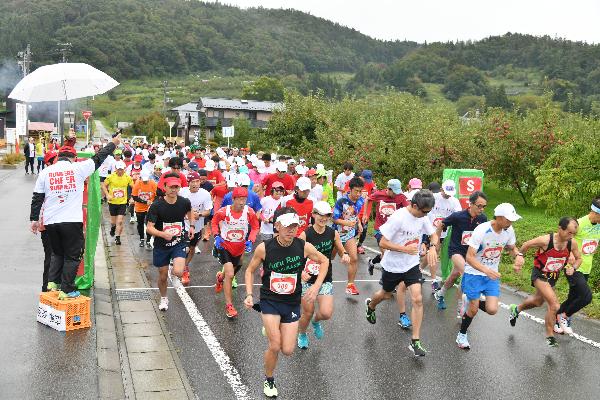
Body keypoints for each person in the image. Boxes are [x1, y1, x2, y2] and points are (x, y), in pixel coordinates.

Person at [243, 207, 329, 398]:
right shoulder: (264, 248)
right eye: (288, 226)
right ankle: (269, 379)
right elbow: (249, 271)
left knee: (288, 350)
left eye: (295, 226)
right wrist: (249, 294)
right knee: (275, 345)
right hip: (270, 300)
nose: (292, 230)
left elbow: (324, 262)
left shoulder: (303, 246)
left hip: (291, 302)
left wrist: (315, 287)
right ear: (277, 226)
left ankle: (273, 328)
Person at [30, 134, 120, 298]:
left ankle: (52, 282)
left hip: (50, 221)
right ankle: (67, 289)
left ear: (58, 157)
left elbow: (37, 198)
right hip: (71, 221)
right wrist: (113, 144)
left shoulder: (46, 172)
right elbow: (99, 157)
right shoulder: (78, 168)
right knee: (73, 256)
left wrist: (34, 220)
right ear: (74, 158)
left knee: (57, 253)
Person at [364, 190, 439, 357]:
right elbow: (383, 242)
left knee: (417, 298)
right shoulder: (398, 217)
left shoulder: (423, 216)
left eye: (428, 212)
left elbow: (433, 235)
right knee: (384, 294)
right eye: (424, 211)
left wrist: (433, 247)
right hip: (392, 266)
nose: (426, 215)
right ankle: (371, 306)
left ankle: (415, 341)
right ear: (414, 206)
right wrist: (404, 249)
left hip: (411, 265)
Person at [456, 203, 524, 350]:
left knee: (492, 310)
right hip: (474, 273)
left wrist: (518, 256)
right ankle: (462, 334)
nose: (510, 223)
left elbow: (511, 248)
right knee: (473, 310)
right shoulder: (482, 230)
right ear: (498, 217)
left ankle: (468, 300)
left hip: (491, 275)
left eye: (512, 220)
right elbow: (469, 257)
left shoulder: (508, 230)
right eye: (508, 219)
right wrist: (485, 270)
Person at [508, 217, 582, 346]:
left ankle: (516, 309)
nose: (571, 236)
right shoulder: (546, 240)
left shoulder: (572, 243)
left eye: (574, 234)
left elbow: (579, 258)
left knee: (537, 301)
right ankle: (549, 336)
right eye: (569, 232)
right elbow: (526, 244)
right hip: (540, 274)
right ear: (560, 228)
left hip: (553, 276)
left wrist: (574, 268)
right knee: (554, 305)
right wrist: (519, 259)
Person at [297, 201, 349, 349]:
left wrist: (344, 254)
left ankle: (316, 321)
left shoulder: (333, 233)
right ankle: (302, 334)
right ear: (313, 214)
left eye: (327, 215)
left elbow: (340, 249)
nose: (323, 218)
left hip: (325, 276)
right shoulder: (305, 234)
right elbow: (297, 255)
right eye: (320, 214)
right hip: (308, 278)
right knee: (307, 312)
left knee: (326, 313)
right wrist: (301, 271)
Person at [434, 191, 488, 313]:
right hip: (456, 250)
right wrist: (436, 242)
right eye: (479, 206)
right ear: (471, 204)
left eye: (484, 206)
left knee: (454, 275)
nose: (481, 209)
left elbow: (484, 235)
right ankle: (461, 307)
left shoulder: (483, 218)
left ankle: (440, 294)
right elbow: (441, 224)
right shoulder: (458, 216)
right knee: (466, 272)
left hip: (469, 253)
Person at [146, 176, 194, 310]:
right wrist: (163, 234)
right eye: (171, 187)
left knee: (178, 271)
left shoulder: (184, 202)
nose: (174, 190)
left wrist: (191, 226)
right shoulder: (156, 206)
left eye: (176, 187)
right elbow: (149, 228)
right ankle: (164, 298)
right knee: (162, 275)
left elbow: (190, 212)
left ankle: (175, 269)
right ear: (165, 187)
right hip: (161, 244)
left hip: (179, 241)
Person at [554, 197, 600, 334]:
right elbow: (563, 239)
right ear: (597, 213)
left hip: (587, 266)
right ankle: (564, 316)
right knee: (586, 297)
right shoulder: (578, 224)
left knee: (574, 297)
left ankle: (557, 319)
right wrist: (570, 254)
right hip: (572, 266)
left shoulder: (598, 226)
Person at [212, 187, 259, 318]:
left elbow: (255, 227)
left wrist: (251, 240)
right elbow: (214, 222)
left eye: (244, 199)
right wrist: (216, 236)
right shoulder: (224, 211)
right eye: (239, 199)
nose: (242, 202)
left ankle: (220, 277)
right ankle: (229, 306)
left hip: (240, 246)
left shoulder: (249, 212)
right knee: (230, 274)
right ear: (233, 199)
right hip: (225, 245)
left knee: (237, 267)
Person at [423, 179, 462, 292]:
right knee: (434, 251)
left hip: (444, 231)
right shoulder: (433, 198)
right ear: (441, 190)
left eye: (450, 194)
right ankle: (434, 280)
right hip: (430, 229)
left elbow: (458, 216)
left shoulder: (454, 201)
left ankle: (419, 269)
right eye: (446, 193)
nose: (448, 196)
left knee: (433, 252)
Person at [367, 179, 409, 275]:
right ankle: (386, 282)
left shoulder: (401, 197)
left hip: (393, 231)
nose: (395, 195)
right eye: (394, 192)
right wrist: (366, 214)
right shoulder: (379, 194)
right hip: (380, 230)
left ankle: (372, 262)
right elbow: (368, 199)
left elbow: (409, 210)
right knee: (387, 255)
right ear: (388, 189)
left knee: (389, 254)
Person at [332, 176, 364, 295]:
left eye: (360, 191)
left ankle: (350, 285)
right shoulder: (342, 201)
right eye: (356, 191)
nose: (358, 194)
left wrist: (359, 223)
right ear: (350, 190)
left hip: (349, 234)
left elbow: (355, 215)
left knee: (354, 259)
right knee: (329, 258)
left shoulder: (361, 200)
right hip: (337, 234)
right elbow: (334, 219)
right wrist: (346, 223)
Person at [179, 171, 213, 285]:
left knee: (192, 249)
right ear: (188, 182)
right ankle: (181, 266)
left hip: (197, 226)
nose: (195, 184)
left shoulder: (205, 194)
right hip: (183, 225)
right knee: (185, 248)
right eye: (192, 181)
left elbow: (208, 211)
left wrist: (200, 215)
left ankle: (185, 266)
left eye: (197, 181)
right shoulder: (182, 192)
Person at [102, 160, 134, 245]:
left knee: (119, 221)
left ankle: (118, 238)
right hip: (112, 202)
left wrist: (131, 197)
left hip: (122, 203)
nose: (120, 171)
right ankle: (113, 228)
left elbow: (134, 187)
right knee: (113, 222)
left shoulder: (128, 178)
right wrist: (107, 194)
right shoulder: (110, 177)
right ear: (115, 169)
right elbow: (103, 185)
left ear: (124, 169)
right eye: (118, 169)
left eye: (122, 169)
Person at [131, 169, 157, 249]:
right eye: (144, 180)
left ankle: (148, 240)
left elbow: (157, 194)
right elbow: (134, 197)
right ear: (141, 177)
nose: (145, 181)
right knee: (140, 223)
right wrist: (145, 202)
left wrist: (152, 202)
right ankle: (141, 239)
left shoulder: (153, 183)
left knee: (149, 224)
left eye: (147, 180)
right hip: (139, 207)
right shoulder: (137, 184)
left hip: (150, 208)